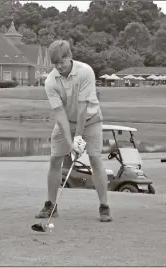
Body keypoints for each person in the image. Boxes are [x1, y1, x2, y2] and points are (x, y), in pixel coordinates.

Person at [35, 40, 112, 222]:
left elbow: (82, 108)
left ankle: (104, 207)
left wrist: (78, 137)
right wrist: (71, 144)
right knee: (55, 160)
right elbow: (59, 114)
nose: (59, 67)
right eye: (55, 64)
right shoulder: (51, 81)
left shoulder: (85, 72)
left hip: (91, 120)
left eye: (61, 62)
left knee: (95, 159)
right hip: (66, 122)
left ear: (69, 56)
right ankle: (51, 206)